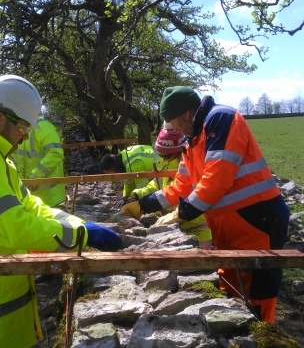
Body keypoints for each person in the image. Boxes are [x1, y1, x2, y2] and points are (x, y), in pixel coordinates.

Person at [0, 75, 120, 348]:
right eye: (23, 126)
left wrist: (79, 223)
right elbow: (13, 229)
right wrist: (81, 235)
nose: (26, 135)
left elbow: (31, 206)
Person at [121, 86, 290, 323]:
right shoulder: (192, 140)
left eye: (174, 123)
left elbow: (216, 179)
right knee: (230, 282)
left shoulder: (221, 119)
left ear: (187, 114)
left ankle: (262, 335)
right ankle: (235, 332)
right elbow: (181, 185)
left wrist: (183, 212)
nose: (175, 130)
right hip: (229, 226)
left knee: (257, 292)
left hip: (257, 221)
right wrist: (144, 204)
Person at [125, 122, 213, 249]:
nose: (163, 159)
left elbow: (197, 201)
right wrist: (137, 196)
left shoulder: (191, 169)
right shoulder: (163, 164)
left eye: (167, 156)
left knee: (202, 265)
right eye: (160, 155)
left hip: (197, 230)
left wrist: (175, 216)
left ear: (180, 152)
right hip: (172, 229)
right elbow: (156, 185)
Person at [12, 117, 66, 207]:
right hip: (28, 197)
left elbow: (55, 153)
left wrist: (37, 175)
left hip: (49, 198)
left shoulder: (42, 126)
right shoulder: (18, 127)